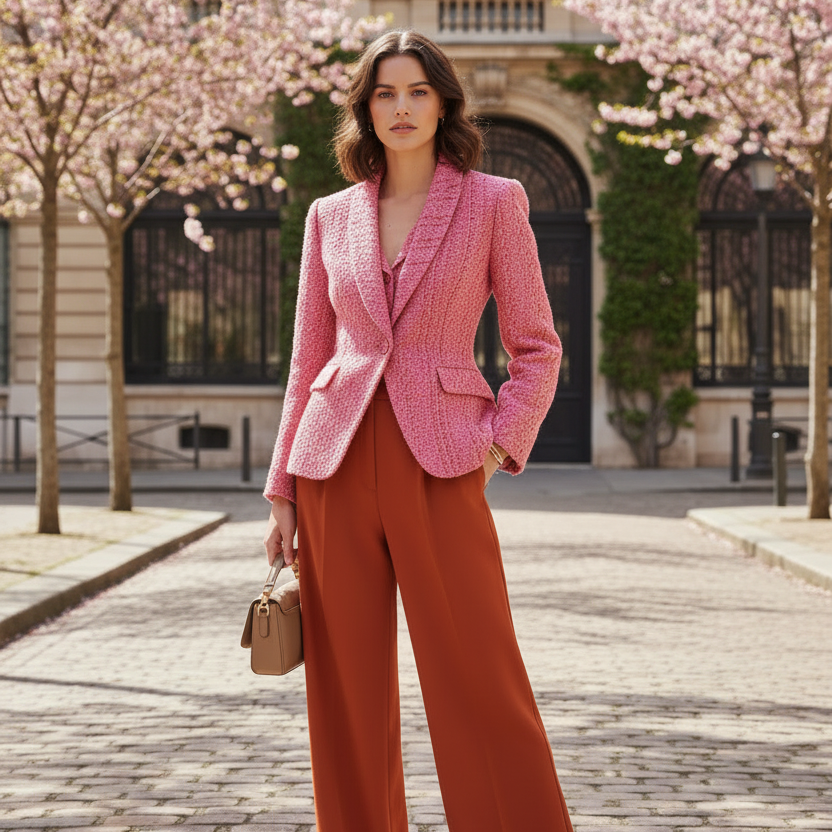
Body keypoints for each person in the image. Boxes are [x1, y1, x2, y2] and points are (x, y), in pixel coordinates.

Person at [262, 28, 573, 832]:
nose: (401, 109)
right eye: (384, 94)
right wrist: (282, 490)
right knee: (346, 695)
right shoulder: (330, 216)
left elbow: (536, 345)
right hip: (332, 462)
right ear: (365, 109)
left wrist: (500, 443)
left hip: (443, 462)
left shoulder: (494, 201)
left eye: (417, 92)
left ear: (443, 103)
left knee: (479, 677)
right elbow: (307, 359)